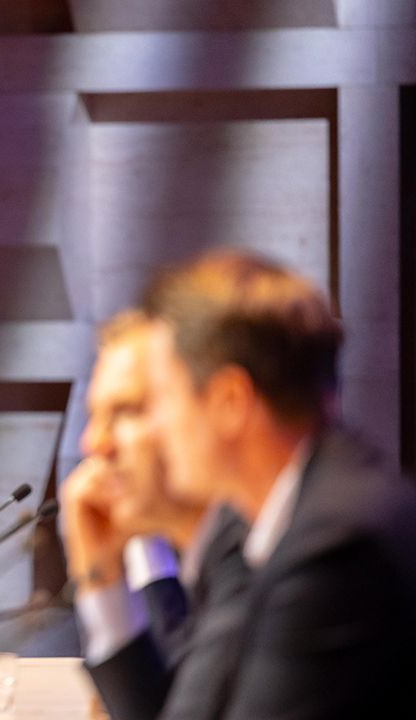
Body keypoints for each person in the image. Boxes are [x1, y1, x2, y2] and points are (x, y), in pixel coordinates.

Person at [133, 249, 416, 718]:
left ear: (230, 401)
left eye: (161, 398)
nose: (154, 428)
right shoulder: (301, 511)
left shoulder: (334, 548)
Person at [60, 310, 251, 720]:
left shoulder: (276, 559)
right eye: (95, 416)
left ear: (220, 405)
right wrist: (102, 582)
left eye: (127, 411)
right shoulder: (219, 553)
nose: (94, 443)